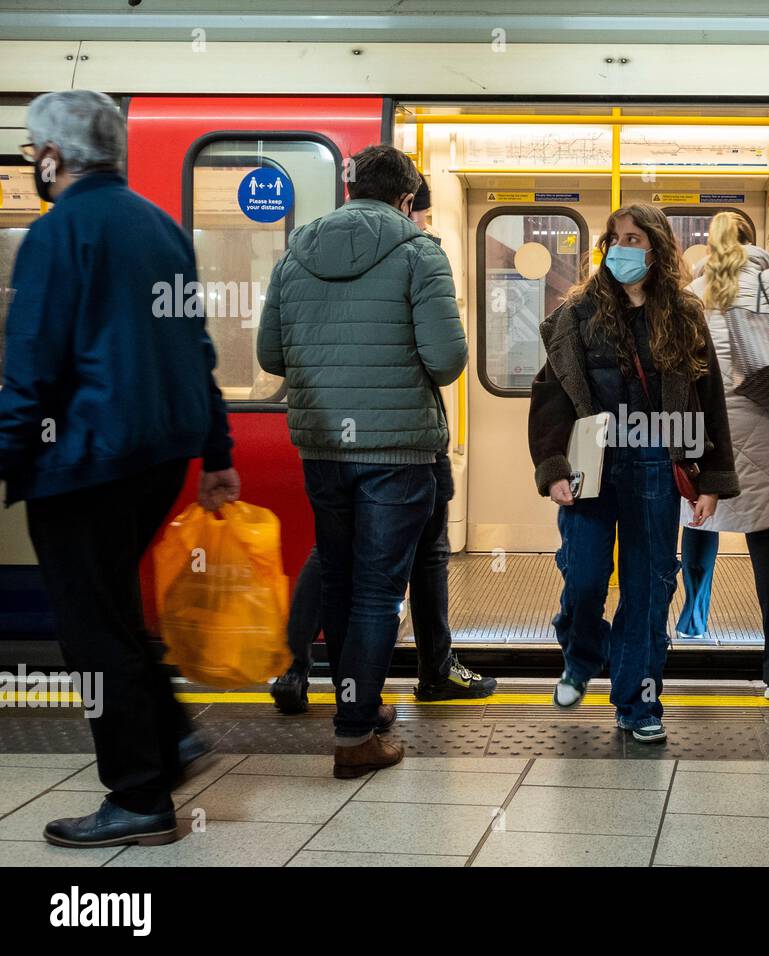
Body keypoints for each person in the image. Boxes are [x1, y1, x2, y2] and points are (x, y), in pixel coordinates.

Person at [0, 90, 238, 848]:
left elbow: (30, 368)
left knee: (92, 629)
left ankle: (138, 797)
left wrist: (9, 458)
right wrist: (219, 452)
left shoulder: (57, 233)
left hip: (84, 461)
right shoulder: (159, 225)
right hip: (155, 458)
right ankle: (166, 739)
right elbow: (195, 346)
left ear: (52, 156)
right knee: (114, 609)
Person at [257, 144, 466, 779]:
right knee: (378, 592)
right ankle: (354, 734)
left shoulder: (297, 251)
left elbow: (271, 354)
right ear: (407, 200)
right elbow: (448, 361)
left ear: (351, 192)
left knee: (343, 581)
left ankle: (362, 708)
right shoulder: (418, 252)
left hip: (323, 447)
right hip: (397, 449)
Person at [529, 202, 738, 744]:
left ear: (657, 248)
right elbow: (551, 396)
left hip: (655, 467)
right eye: (615, 238)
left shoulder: (685, 316)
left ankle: (638, 702)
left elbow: (709, 399)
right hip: (592, 465)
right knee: (585, 579)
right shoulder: (577, 316)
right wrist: (552, 469)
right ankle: (580, 648)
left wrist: (711, 479)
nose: (623, 248)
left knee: (648, 590)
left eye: (635, 239)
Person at [677, 211, 769, 700]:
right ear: (752, 241)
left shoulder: (692, 297)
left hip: (711, 434)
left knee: (692, 527)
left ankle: (666, 645)